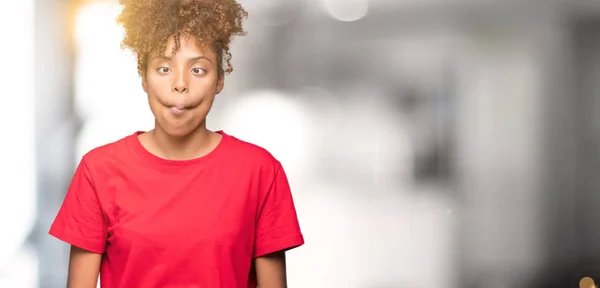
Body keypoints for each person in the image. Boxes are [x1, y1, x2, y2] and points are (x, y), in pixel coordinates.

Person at [48, 0, 304, 287]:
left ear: (220, 79)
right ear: (143, 76)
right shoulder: (98, 171)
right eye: (164, 68)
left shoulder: (260, 172)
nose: (180, 84)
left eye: (198, 70)